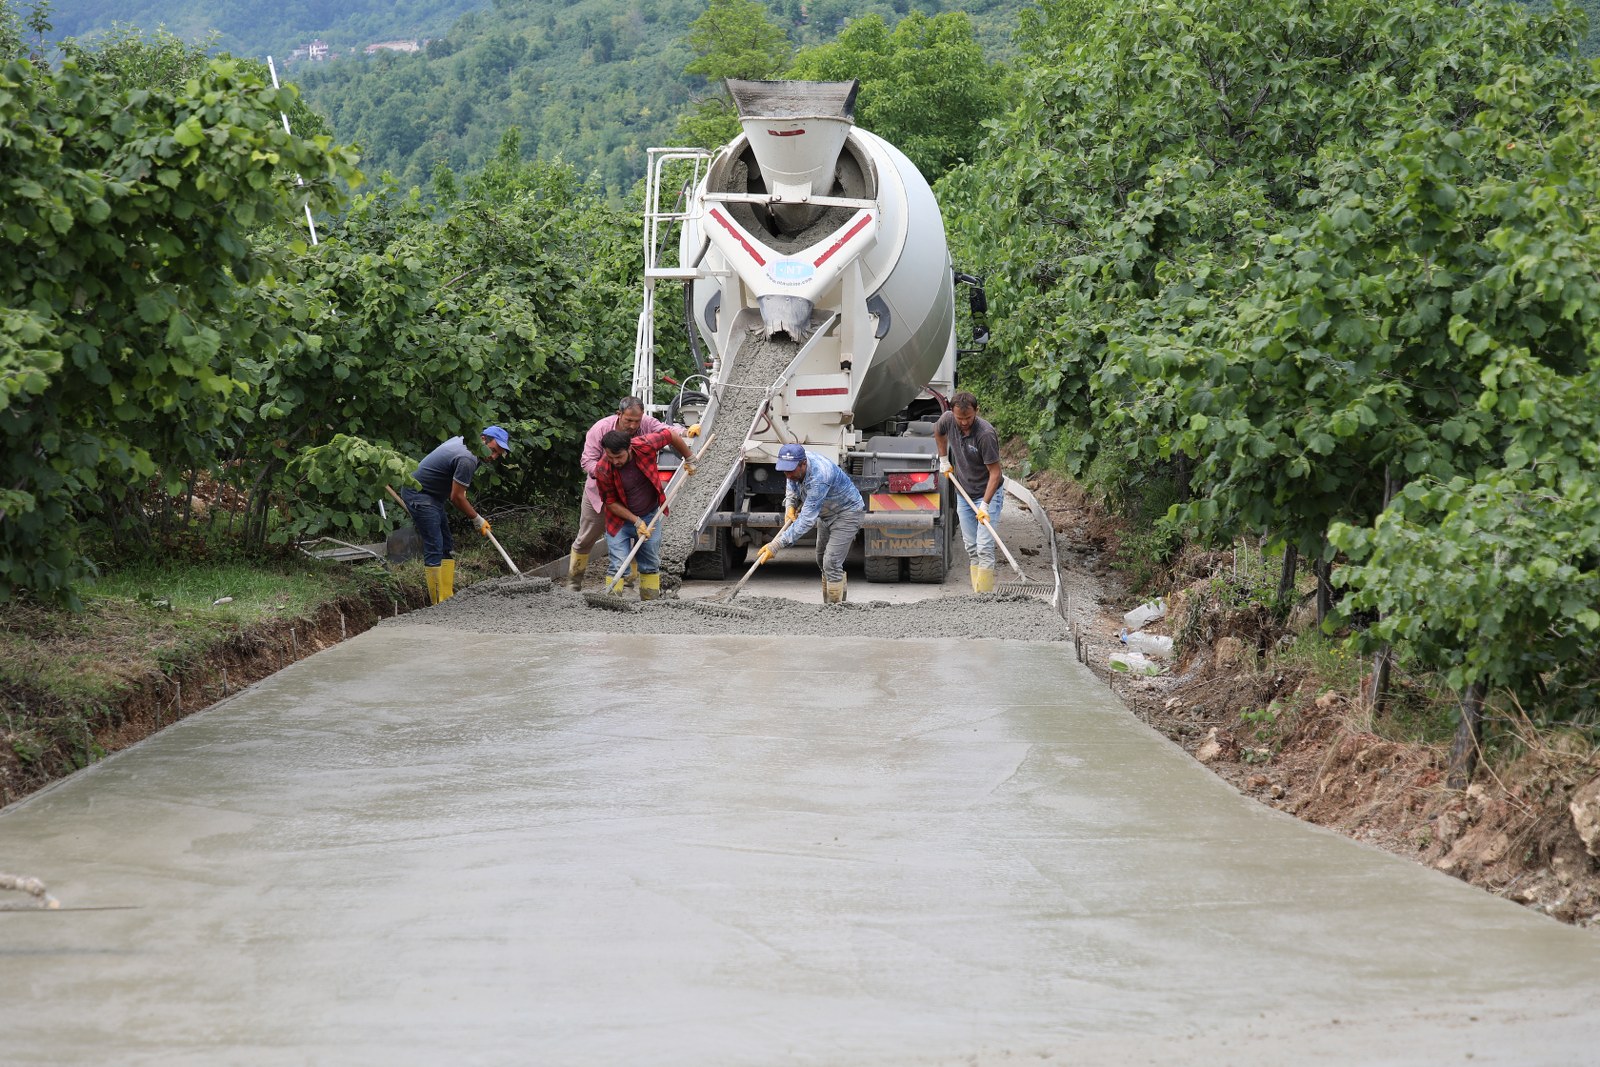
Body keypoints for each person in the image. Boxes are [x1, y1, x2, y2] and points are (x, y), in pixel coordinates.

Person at [566, 397, 696, 590]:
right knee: (587, 537)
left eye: (637, 421)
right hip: (601, 494)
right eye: (628, 421)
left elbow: (666, 432)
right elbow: (587, 462)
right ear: (619, 415)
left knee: (644, 544)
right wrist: (609, 472)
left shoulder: (643, 439)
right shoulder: (600, 432)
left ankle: (629, 581)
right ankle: (574, 582)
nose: (634, 425)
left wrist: (687, 436)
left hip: (637, 497)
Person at [403, 426, 510, 604]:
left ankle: (447, 597)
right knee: (435, 544)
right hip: (419, 494)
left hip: (434, 495)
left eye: (497, 454)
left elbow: (457, 488)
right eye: (492, 450)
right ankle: (437, 603)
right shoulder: (467, 457)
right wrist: (477, 519)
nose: (493, 457)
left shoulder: (468, 445)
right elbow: (456, 498)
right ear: (483, 439)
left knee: (446, 544)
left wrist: (461, 496)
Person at [593, 425, 696, 601]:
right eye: (611, 457)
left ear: (629, 448)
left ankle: (650, 603)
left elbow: (670, 435)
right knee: (618, 564)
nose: (615, 461)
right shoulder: (603, 469)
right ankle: (610, 602)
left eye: (619, 457)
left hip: (649, 514)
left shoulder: (644, 445)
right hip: (618, 521)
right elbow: (610, 502)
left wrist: (689, 458)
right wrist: (635, 521)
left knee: (650, 563)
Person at [756, 442, 865, 605]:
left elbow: (806, 520)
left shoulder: (820, 476)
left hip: (847, 513)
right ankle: (831, 599)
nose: (787, 474)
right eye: (784, 470)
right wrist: (790, 506)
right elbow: (791, 484)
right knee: (821, 560)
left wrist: (777, 544)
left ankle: (835, 609)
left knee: (832, 562)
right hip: (826, 514)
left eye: (791, 470)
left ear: (803, 464)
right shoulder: (794, 464)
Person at [934, 391, 1004, 594]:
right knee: (972, 547)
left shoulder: (985, 434)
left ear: (976, 411)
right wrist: (944, 459)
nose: (964, 422)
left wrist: (985, 505)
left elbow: (995, 473)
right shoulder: (947, 420)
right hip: (964, 493)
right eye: (960, 418)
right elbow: (938, 432)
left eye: (968, 418)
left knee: (984, 546)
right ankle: (978, 594)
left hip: (987, 493)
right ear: (952, 413)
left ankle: (985, 596)